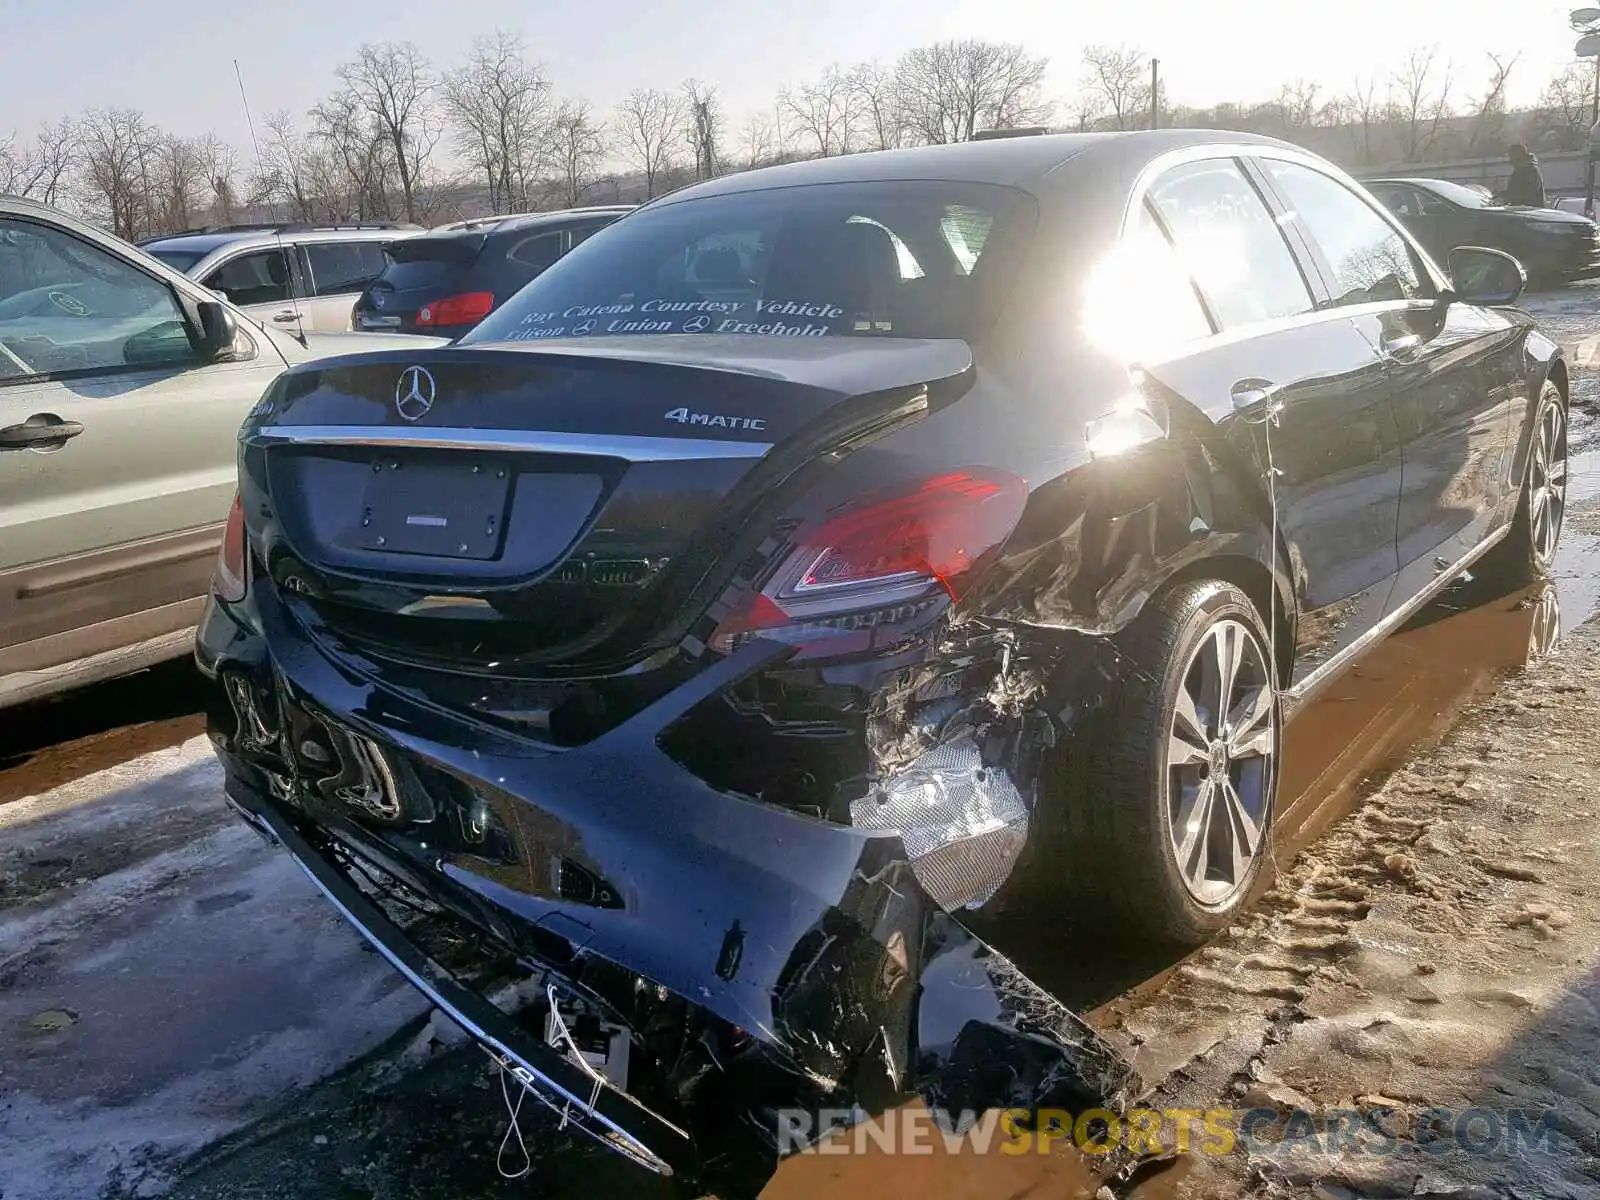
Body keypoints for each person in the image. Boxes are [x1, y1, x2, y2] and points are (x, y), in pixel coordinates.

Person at [1503, 144, 1547, 209]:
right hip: (1528, 211)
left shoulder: (1527, 170)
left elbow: (1520, 194)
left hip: (1528, 212)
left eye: (1511, 155)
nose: (1509, 158)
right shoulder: (1526, 168)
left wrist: (1506, 198)